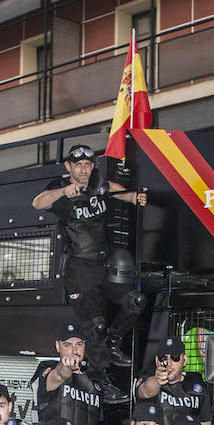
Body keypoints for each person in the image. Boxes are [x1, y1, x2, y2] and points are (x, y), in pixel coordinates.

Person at [31, 143, 148, 370]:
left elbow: (115, 189)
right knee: (96, 326)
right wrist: (64, 192)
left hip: (104, 265)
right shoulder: (60, 187)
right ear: (69, 166)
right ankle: (101, 380)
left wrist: (134, 197)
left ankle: (114, 342)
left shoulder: (98, 182)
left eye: (87, 165)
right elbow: (38, 202)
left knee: (136, 301)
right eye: (78, 165)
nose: (83, 170)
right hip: (79, 268)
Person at [33, 323, 120, 425]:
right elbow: (60, 375)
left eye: (79, 344)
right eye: (67, 345)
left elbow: (99, 423)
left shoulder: (95, 382)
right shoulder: (47, 369)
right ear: (58, 346)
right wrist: (67, 366)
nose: (74, 351)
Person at [135, 335, 214, 425]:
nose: (168, 362)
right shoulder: (148, 379)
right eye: (164, 357)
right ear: (157, 360)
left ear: (184, 360)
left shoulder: (197, 387)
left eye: (175, 357)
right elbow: (144, 392)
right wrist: (157, 379)